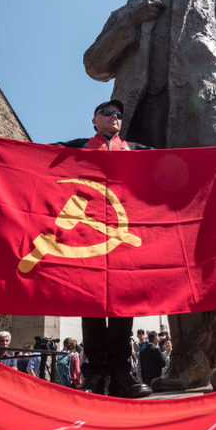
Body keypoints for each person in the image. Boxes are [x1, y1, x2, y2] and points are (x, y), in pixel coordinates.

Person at [85, 0, 216, 392]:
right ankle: (187, 358)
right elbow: (94, 64)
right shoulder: (125, 11)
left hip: (207, 111)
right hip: (143, 120)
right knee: (163, 236)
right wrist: (129, 22)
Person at [54, 100, 152, 398]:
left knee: (123, 301)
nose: (114, 118)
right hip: (88, 235)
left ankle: (122, 373)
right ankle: (94, 373)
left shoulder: (134, 150)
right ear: (94, 120)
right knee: (92, 302)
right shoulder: (79, 145)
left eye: (119, 115)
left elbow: (170, 163)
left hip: (124, 234)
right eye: (107, 113)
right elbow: (38, 156)